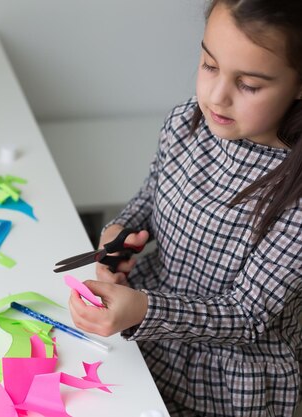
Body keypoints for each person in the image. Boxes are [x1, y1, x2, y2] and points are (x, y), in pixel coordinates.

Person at [68, 0, 302, 415]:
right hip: (151, 343)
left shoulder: (294, 191)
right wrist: (121, 229)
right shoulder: (188, 122)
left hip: (230, 382)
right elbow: (153, 192)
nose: (216, 96)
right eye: (209, 65)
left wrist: (143, 309)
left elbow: (247, 316)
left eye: (248, 84)